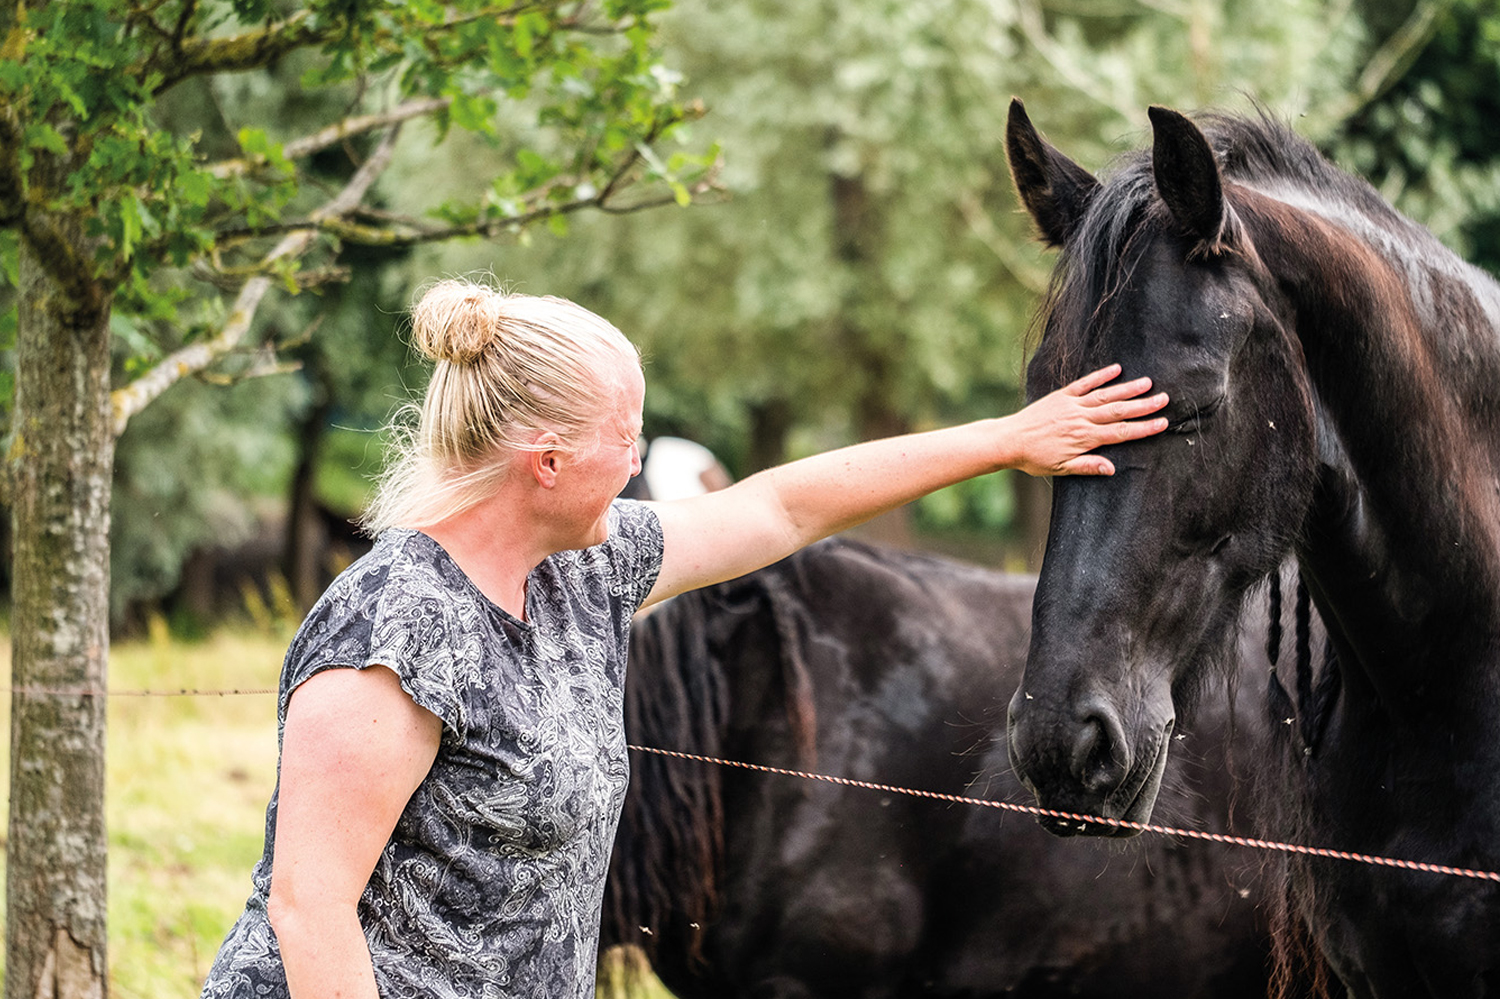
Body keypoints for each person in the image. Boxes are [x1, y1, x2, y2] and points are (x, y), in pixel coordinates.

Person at [200, 277, 1169, 999]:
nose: (640, 456)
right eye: (625, 435)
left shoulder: (585, 570)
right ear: (545, 462)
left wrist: (1007, 439)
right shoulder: (393, 628)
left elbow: (782, 508)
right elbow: (309, 908)